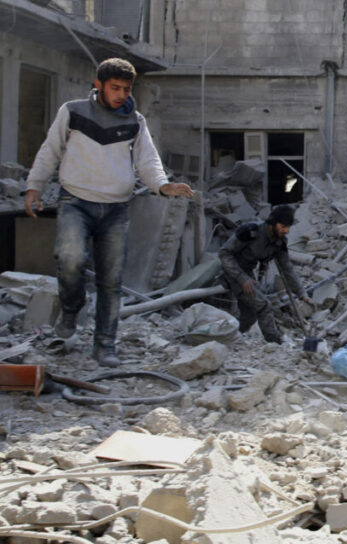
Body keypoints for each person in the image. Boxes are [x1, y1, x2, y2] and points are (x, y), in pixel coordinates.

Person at [24, 58, 194, 368]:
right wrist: (34, 186)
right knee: (70, 259)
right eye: (114, 88)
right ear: (98, 84)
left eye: (126, 89)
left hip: (116, 209)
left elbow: (148, 160)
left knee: (111, 281)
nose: (120, 94)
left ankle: (104, 345)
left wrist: (162, 185)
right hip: (75, 201)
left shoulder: (135, 121)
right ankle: (72, 309)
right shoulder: (73, 112)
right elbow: (51, 149)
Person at [218, 204, 311, 344]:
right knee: (263, 305)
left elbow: (287, 268)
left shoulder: (279, 242)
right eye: (283, 226)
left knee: (249, 315)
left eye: (288, 227)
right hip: (232, 272)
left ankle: (226, 338)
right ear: (273, 223)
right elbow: (224, 253)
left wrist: (302, 293)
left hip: (248, 274)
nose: (286, 230)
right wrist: (241, 278)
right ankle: (275, 344)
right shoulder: (250, 231)